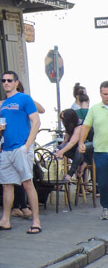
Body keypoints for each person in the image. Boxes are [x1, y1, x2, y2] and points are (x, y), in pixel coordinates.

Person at [0, 70, 41, 234]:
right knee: (6, 185)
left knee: (27, 183)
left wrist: (27, 145)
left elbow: (36, 121)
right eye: (3, 80)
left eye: (9, 80)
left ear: (16, 82)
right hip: (7, 147)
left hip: (21, 146)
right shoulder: (3, 104)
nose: (6, 83)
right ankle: (5, 220)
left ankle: (36, 221)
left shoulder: (25, 99)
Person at [78, 80, 108, 220]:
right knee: (103, 182)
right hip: (101, 151)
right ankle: (106, 208)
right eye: (104, 94)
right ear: (100, 94)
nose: (107, 96)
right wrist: (81, 142)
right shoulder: (94, 109)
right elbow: (85, 127)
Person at [55, 109, 92, 182]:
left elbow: (72, 142)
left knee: (79, 149)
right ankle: (82, 161)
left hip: (92, 143)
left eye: (63, 119)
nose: (62, 121)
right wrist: (59, 149)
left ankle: (70, 173)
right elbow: (66, 141)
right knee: (63, 148)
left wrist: (61, 152)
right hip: (81, 145)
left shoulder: (80, 126)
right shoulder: (70, 126)